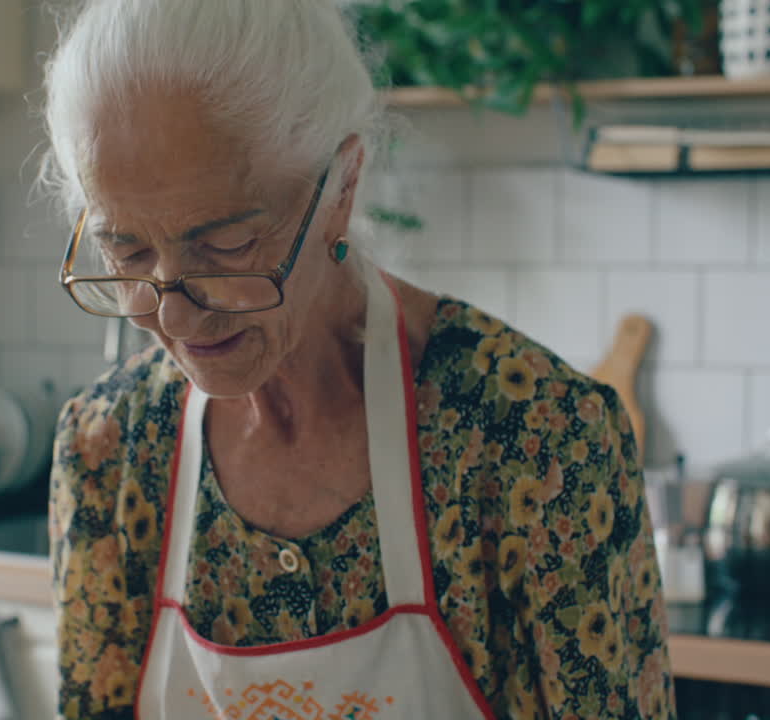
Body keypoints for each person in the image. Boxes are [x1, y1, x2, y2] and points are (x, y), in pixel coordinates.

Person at [41, 1, 672, 718]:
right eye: (126, 250)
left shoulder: (537, 440)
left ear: (341, 187)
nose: (175, 314)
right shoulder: (109, 448)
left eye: (225, 246)